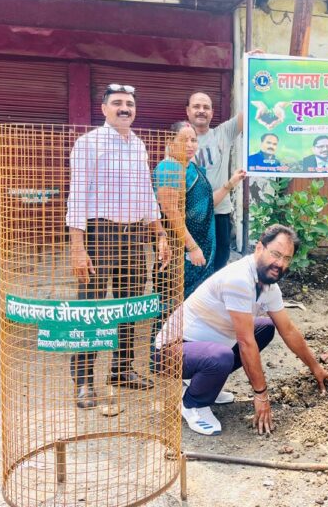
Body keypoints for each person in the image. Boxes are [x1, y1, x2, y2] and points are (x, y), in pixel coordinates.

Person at [154, 224, 328, 436]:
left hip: (203, 350)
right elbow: (246, 342)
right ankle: (193, 404)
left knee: (265, 328)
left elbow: (289, 330)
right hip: (169, 352)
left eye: (287, 258)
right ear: (259, 248)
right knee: (221, 357)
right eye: (276, 254)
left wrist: (315, 368)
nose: (280, 263)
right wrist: (261, 395)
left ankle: (204, 384)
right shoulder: (239, 279)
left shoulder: (268, 286)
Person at [66, 83, 171, 410]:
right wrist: (78, 248)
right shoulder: (89, 143)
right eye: (118, 103)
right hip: (99, 235)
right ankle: (84, 381)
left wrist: (160, 233)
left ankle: (122, 369)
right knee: (92, 310)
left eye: (129, 104)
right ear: (104, 108)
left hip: (133, 236)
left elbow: (145, 194)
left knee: (130, 307)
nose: (125, 108)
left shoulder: (138, 145)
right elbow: (77, 196)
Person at [154, 121, 246, 300]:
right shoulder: (169, 168)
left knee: (197, 301)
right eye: (183, 140)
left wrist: (230, 184)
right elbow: (170, 211)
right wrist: (193, 247)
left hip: (201, 247)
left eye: (193, 140)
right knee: (177, 302)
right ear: (170, 142)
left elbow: (207, 203)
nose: (190, 145)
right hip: (182, 250)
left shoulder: (192, 168)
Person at [187, 91, 243, 273]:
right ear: (188, 111)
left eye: (206, 107)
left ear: (212, 113)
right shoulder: (179, 141)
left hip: (220, 212)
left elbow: (248, 113)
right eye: (196, 106)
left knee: (220, 258)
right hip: (193, 215)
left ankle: (214, 299)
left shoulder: (223, 133)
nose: (201, 111)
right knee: (193, 262)